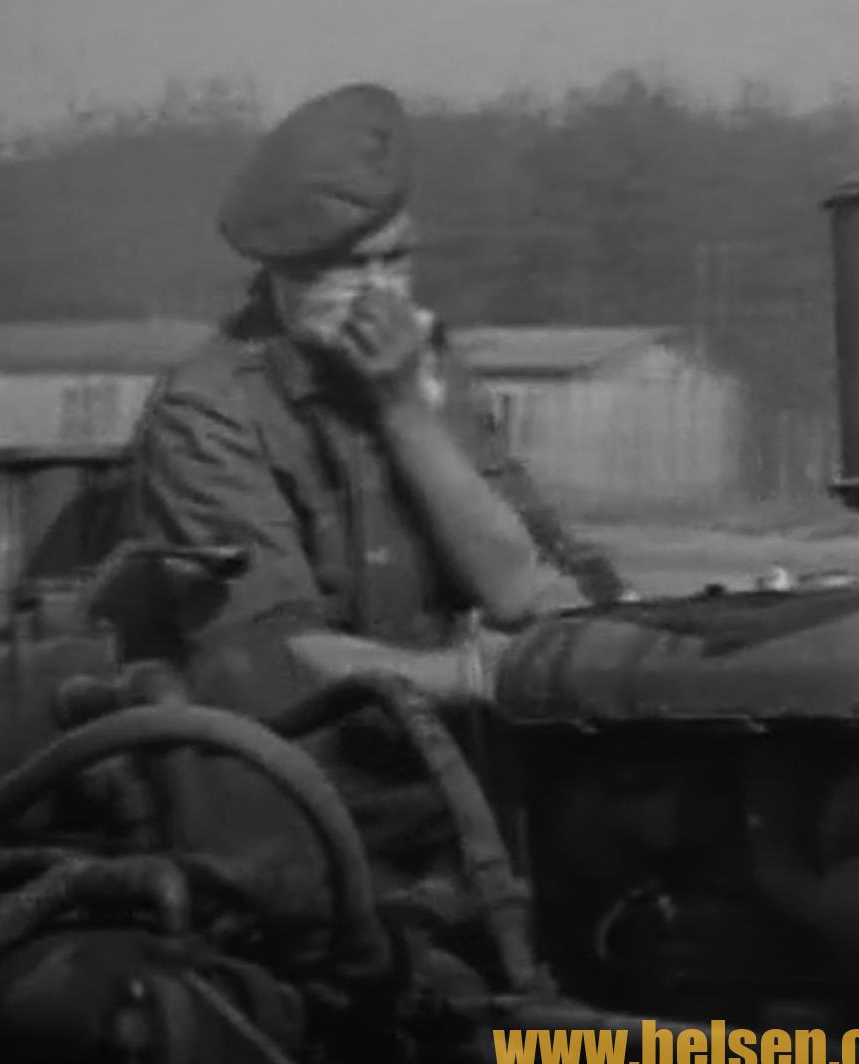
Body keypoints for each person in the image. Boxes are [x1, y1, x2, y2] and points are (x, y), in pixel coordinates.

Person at [126, 83, 624, 721]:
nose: (382, 294)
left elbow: (516, 587)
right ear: (288, 273)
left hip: (449, 754)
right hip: (307, 770)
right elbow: (267, 657)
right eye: (355, 267)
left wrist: (406, 413)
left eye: (397, 260)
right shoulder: (209, 411)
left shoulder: (429, 370)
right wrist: (470, 677)